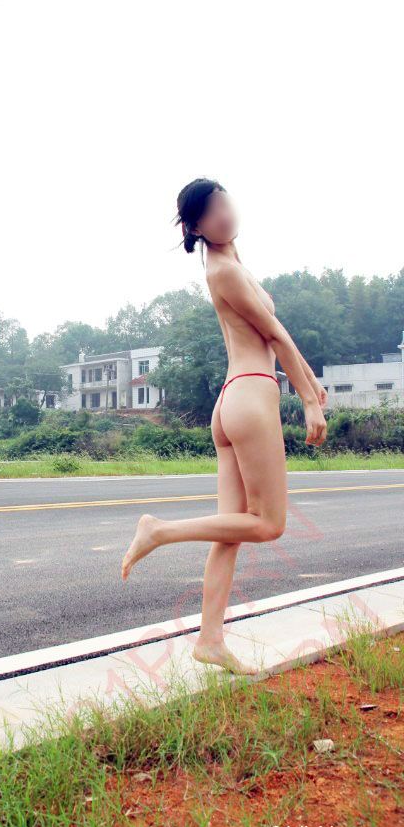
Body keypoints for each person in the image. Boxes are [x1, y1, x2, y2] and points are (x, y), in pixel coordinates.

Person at [120, 177, 327, 675]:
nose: (223, 215)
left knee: (230, 531)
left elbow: (273, 334)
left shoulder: (230, 262)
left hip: (236, 398)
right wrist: (307, 398)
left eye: (223, 203)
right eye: (209, 213)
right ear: (195, 228)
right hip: (251, 397)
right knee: (269, 524)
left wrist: (309, 379)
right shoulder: (224, 271)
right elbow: (274, 334)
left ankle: (210, 640)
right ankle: (159, 530)